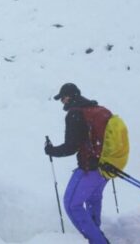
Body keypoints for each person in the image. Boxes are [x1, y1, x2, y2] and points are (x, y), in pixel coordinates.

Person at [44, 83, 111, 244]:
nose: (62, 102)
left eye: (62, 99)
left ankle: (98, 241)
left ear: (68, 97)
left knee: (71, 204)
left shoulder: (75, 114)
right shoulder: (96, 109)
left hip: (91, 167)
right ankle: (96, 233)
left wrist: (51, 150)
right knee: (94, 199)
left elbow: (71, 147)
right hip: (107, 167)